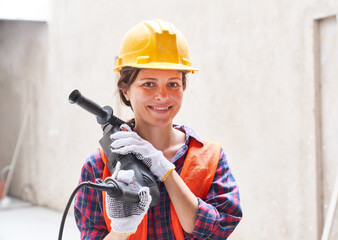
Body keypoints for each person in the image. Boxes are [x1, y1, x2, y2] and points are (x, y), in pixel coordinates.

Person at [74, 19, 242, 240]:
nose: (162, 95)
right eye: (148, 84)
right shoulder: (99, 166)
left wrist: (165, 170)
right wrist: (121, 230)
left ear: (183, 87)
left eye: (173, 83)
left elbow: (217, 231)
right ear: (125, 90)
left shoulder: (210, 159)